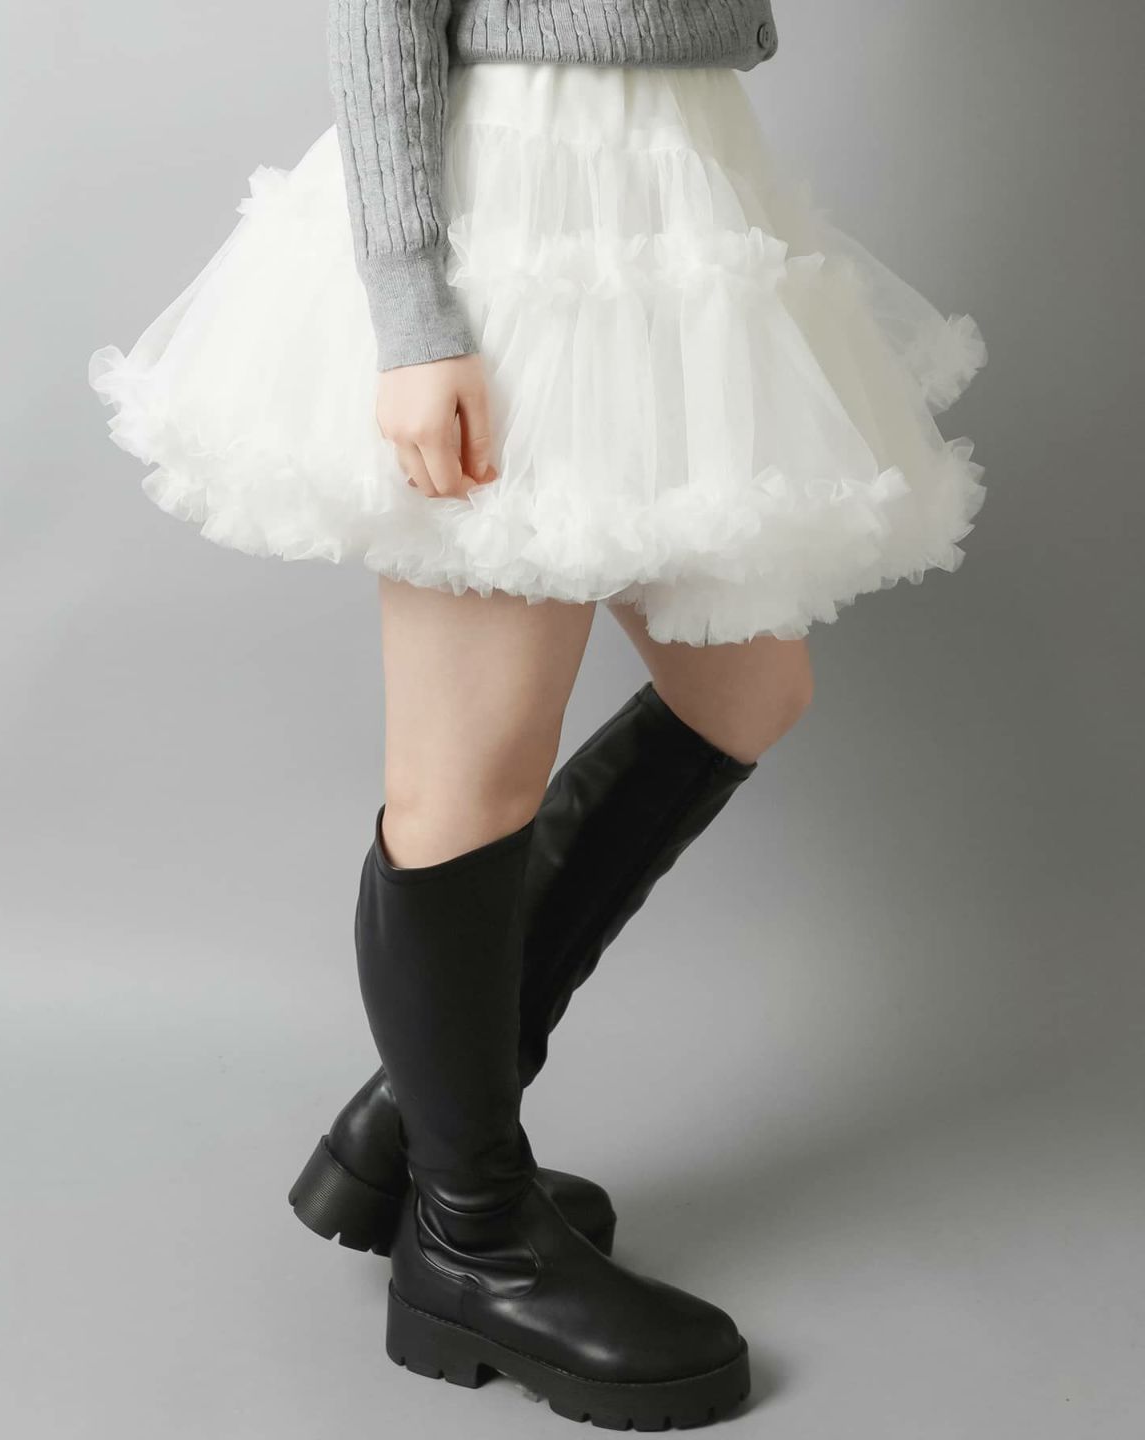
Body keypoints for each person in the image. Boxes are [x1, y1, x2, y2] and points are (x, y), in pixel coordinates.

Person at [89, 1, 987, 1426]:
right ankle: (473, 1240)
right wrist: (412, 311)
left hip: (679, 185)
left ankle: (420, 1124)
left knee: (748, 688)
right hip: (515, 203)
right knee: (466, 772)